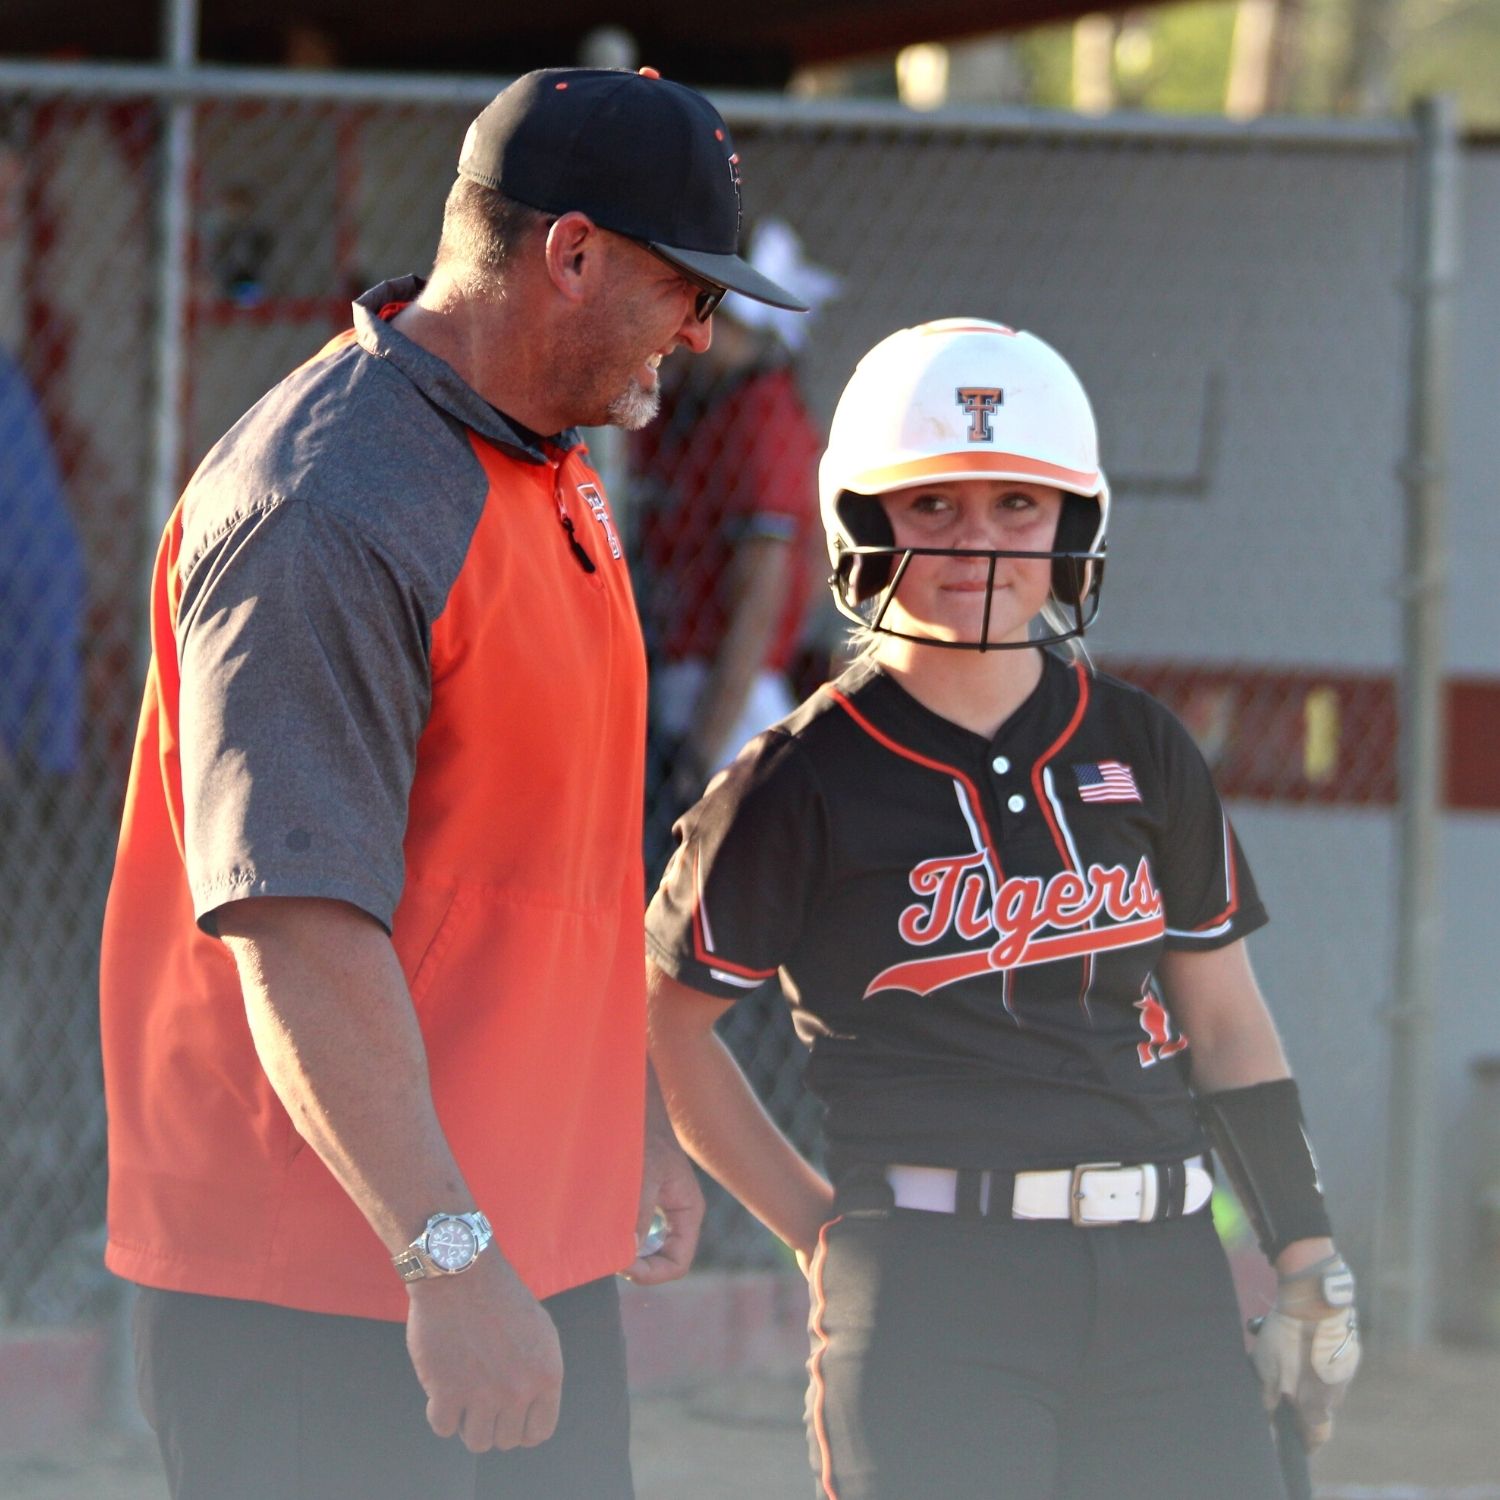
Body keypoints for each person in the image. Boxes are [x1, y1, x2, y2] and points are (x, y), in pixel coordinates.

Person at [99, 66, 804, 1500]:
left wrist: (626, 1131)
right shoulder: (330, 500)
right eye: (690, 288)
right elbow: (296, 925)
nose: (704, 331)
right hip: (334, 1289)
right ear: (574, 253)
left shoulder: (539, 461)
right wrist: (452, 1256)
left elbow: (546, 870)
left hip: (512, 1249)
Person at [644, 318, 1360, 1500]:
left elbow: (1227, 1024)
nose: (980, 542)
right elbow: (666, 1021)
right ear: (863, 524)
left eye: (1019, 507)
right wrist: (817, 1229)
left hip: (1170, 1269)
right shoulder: (800, 775)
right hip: (937, 1278)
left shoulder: (1141, 743)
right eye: (933, 507)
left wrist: (1305, 1249)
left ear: (1072, 526)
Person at [630, 218, 837, 883]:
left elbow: (760, 601)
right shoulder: (705, 407)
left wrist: (702, 754)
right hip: (679, 685)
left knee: (716, 895)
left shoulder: (760, 414)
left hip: (725, 704)